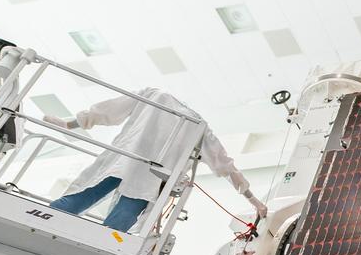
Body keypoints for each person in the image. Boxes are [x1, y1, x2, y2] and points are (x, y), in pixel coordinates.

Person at [43, 88, 267, 232]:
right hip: (150, 178)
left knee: (84, 195)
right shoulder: (201, 129)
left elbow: (108, 110)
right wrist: (254, 201)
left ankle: (44, 220)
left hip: (124, 160)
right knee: (122, 219)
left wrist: (70, 124)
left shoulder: (155, 96)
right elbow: (227, 168)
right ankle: (100, 250)